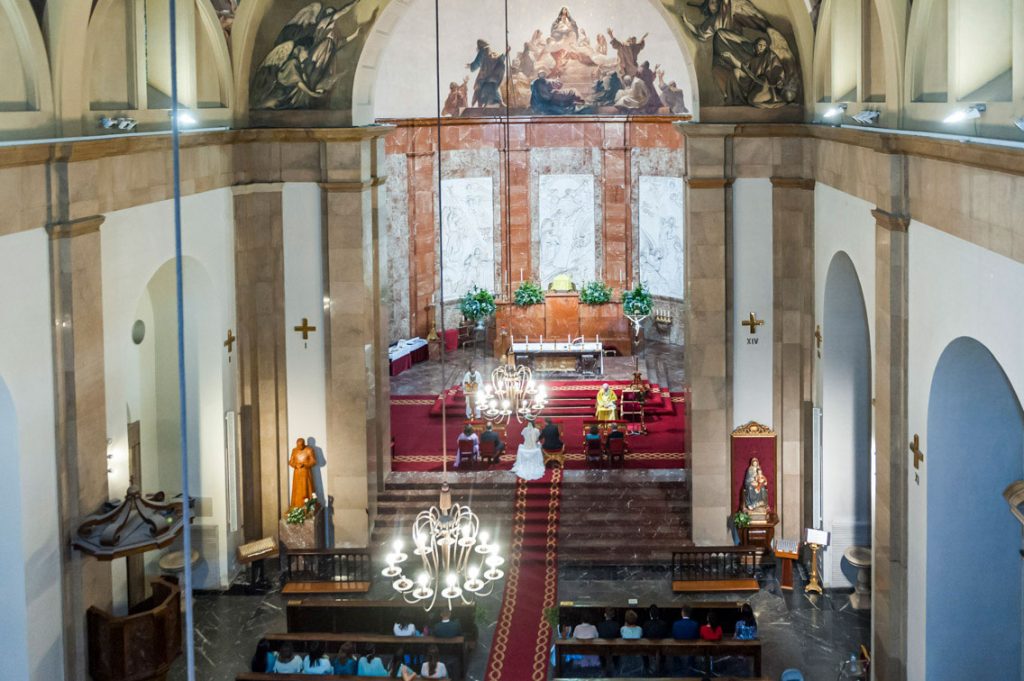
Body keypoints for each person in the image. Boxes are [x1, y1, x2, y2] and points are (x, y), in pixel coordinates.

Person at [467, 39, 507, 107]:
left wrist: (471, 66)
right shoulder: (492, 53)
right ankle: (494, 103)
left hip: (485, 77)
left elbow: (477, 62)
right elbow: (500, 59)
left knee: (480, 90)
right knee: (488, 89)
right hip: (493, 77)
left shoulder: (483, 51)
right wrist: (506, 52)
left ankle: (484, 105)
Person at [288, 437, 316, 510]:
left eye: (300, 445)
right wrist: (295, 465)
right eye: (298, 445)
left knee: (306, 489)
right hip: (297, 473)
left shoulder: (309, 450)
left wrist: (305, 464)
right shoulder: (294, 450)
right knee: (297, 490)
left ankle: (307, 506)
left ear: (304, 444)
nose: (299, 447)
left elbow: (313, 461)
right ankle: (296, 506)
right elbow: (290, 462)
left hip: (306, 473)